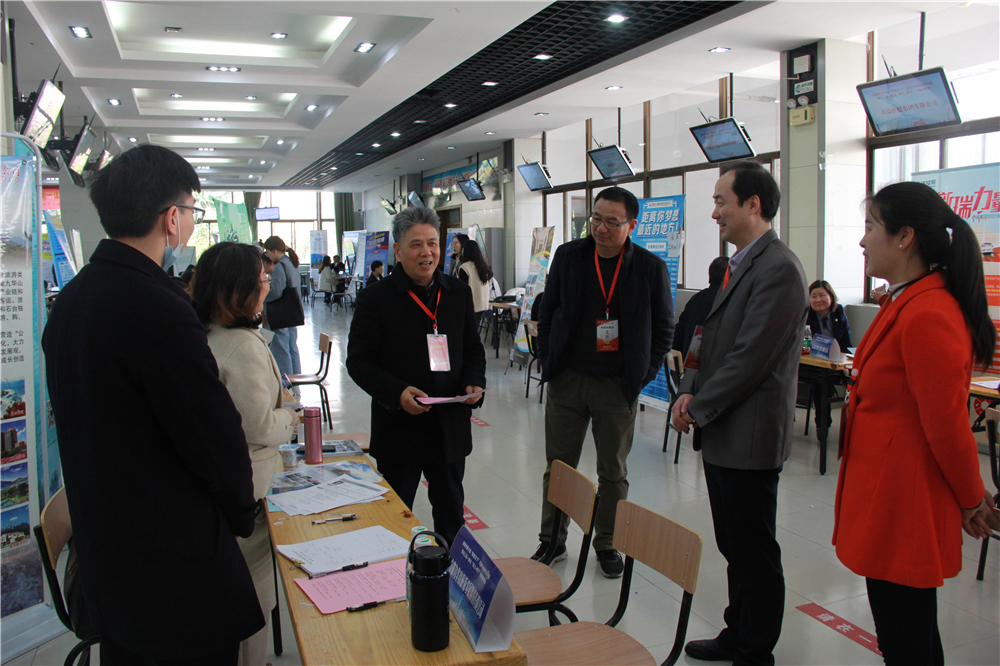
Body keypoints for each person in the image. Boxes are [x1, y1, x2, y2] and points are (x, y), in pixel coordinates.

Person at [41, 144, 263, 665]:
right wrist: (241, 512)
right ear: (171, 218)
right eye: (192, 210)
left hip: (109, 563)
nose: (190, 221)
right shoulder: (158, 306)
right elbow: (212, 435)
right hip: (173, 572)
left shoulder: (72, 298)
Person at [833, 181, 997, 666]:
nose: (862, 241)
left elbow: (947, 426)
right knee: (906, 635)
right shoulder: (905, 301)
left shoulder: (928, 312)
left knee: (906, 639)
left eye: (870, 228)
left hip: (904, 504)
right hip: (886, 496)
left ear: (905, 236)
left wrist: (971, 498)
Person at [671, 161, 808, 665]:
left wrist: (699, 406)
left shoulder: (779, 269)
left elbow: (752, 358)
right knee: (733, 544)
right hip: (723, 429)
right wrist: (687, 389)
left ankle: (755, 650)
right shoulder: (739, 263)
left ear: (753, 205)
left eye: (720, 202)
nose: (714, 213)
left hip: (750, 435)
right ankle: (737, 631)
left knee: (754, 549)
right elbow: (705, 336)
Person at [533, 186, 674, 578]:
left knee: (613, 472)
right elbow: (548, 309)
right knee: (559, 467)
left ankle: (608, 543)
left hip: (616, 386)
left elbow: (664, 328)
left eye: (612, 222)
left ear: (632, 225)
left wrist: (642, 375)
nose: (600, 228)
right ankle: (552, 541)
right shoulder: (569, 256)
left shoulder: (649, 268)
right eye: (595, 218)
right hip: (568, 380)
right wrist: (547, 358)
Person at [346, 207, 486, 547]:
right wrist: (396, 392)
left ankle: (450, 575)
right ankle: (392, 576)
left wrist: (474, 380)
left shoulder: (457, 292)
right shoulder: (375, 298)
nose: (427, 252)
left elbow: (473, 348)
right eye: (416, 244)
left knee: (451, 517)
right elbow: (359, 362)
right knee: (393, 522)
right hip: (400, 430)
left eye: (433, 243)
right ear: (397, 250)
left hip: (448, 427)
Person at [192, 242, 298, 666]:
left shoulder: (205, 334)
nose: (267, 285)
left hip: (219, 491)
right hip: (248, 491)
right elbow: (259, 426)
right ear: (237, 290)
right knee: (253, 596)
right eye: (262, 279)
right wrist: (289, 416)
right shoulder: (241, 346)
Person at [672, 256, 728, 357]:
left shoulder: (695, 299)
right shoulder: (728, 301)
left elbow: (678, 335)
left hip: (687, 362)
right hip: (716, 363)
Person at [263, 236, 302, 377]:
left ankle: (286, 385)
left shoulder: (280, 266)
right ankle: (296, 381)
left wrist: (263, 294)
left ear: (274, 250)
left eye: (267, 252)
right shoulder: (292, 263)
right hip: (292, 311)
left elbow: (276, 292)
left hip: (280, 313)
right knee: (292, 348)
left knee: (281, 350)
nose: (267, 255)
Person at [456, 240, 492, 327]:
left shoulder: (465, 267)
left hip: (470, 305)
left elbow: (462, 289)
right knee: (475, 328)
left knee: (469, 330)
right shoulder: (483, 266)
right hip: (483, 305)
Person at [806, 280, 851, 351]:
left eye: (822, 295)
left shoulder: (838, 311)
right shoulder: (806, 315)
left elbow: (846, 342)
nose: (818, 300)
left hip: (837, 355)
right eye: (814, 297)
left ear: (831, 297)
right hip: (812, 355)